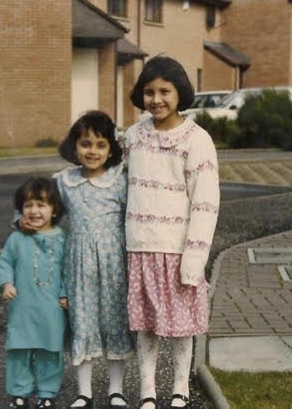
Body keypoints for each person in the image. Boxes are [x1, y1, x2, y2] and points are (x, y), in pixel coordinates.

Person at [123, 56, 220, 409]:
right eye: (149, 92)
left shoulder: (197, 140)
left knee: (182, 327)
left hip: (179, 251)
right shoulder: (133, 137)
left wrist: (195, 257)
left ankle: (180, 387)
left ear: (180, 93)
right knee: (146, 326)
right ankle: (147, 390)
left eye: (165, 91)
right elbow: (120, 186)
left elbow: (206, 204)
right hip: (141, 248)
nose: (156, 99)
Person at [53, 110, 134, 409]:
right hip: (77, 264)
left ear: (111, 149)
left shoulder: (119, 181)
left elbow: (133, 220)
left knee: (115, 323)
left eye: (101, 145)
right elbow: (43, 213)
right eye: (86, 144)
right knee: (82, 323)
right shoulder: (63, 182)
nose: (93, 151)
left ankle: (116, 390)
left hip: (114, 263)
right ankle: (84, 391)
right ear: (74, 146)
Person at [0, 177, 68, 409]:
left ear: (54, 209)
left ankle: (47, 392)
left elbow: (69, 270)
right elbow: (5, 262)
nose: (34, 211)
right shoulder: (17, 238)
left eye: (41, 205)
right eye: (28, 206)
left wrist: (66, 293)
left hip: (51, 307)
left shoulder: (63, 238)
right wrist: (7, 283)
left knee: (50, 349)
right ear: (20, 210)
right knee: (20, 348)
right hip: (22, 306)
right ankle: (19, 392)